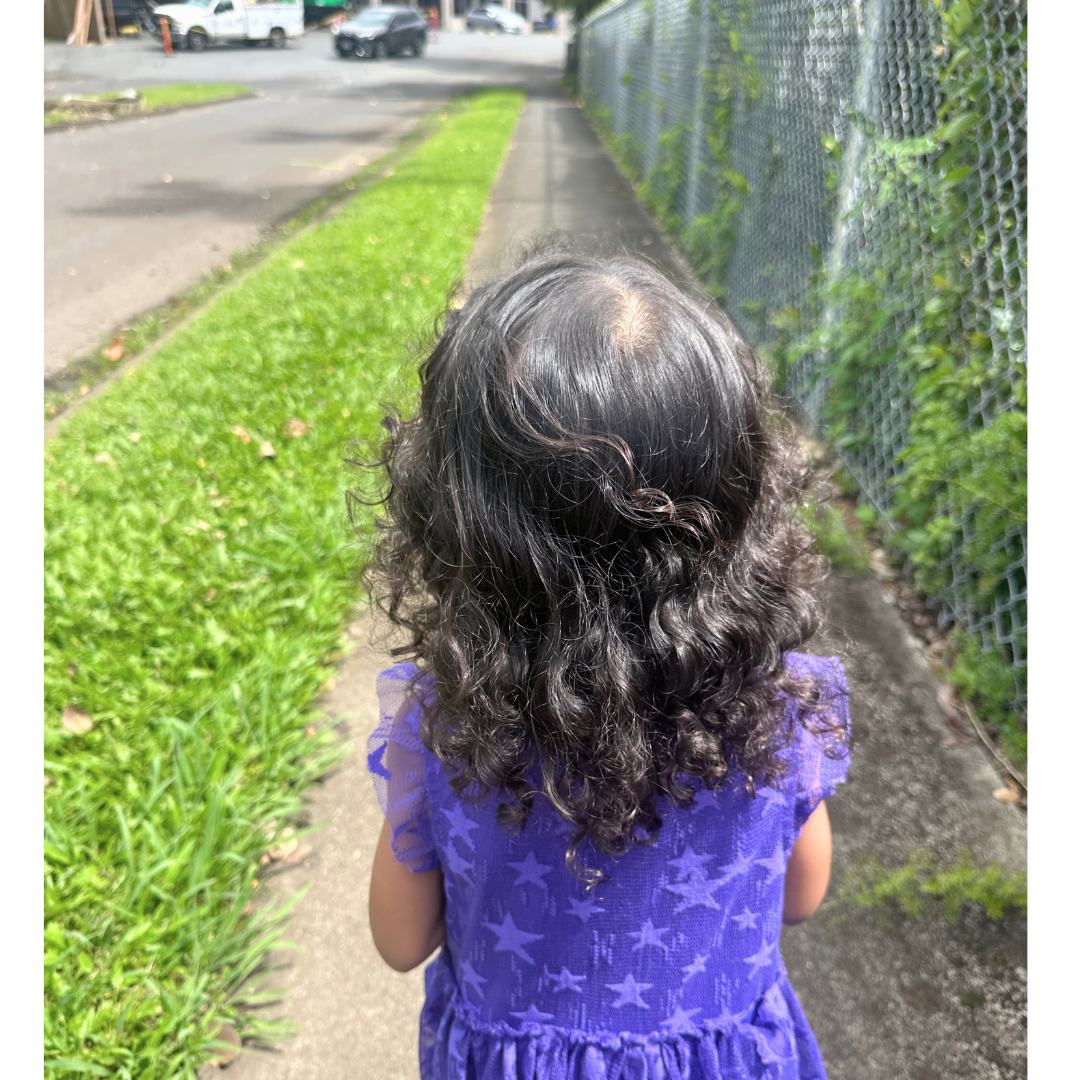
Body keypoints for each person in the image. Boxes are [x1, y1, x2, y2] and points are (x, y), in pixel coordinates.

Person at [362, 251, 851, 1079]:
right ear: (741, 505)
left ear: (456, 520)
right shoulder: (775, 710)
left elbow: (400, 940)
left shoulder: (446, 727)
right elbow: (801, 896)